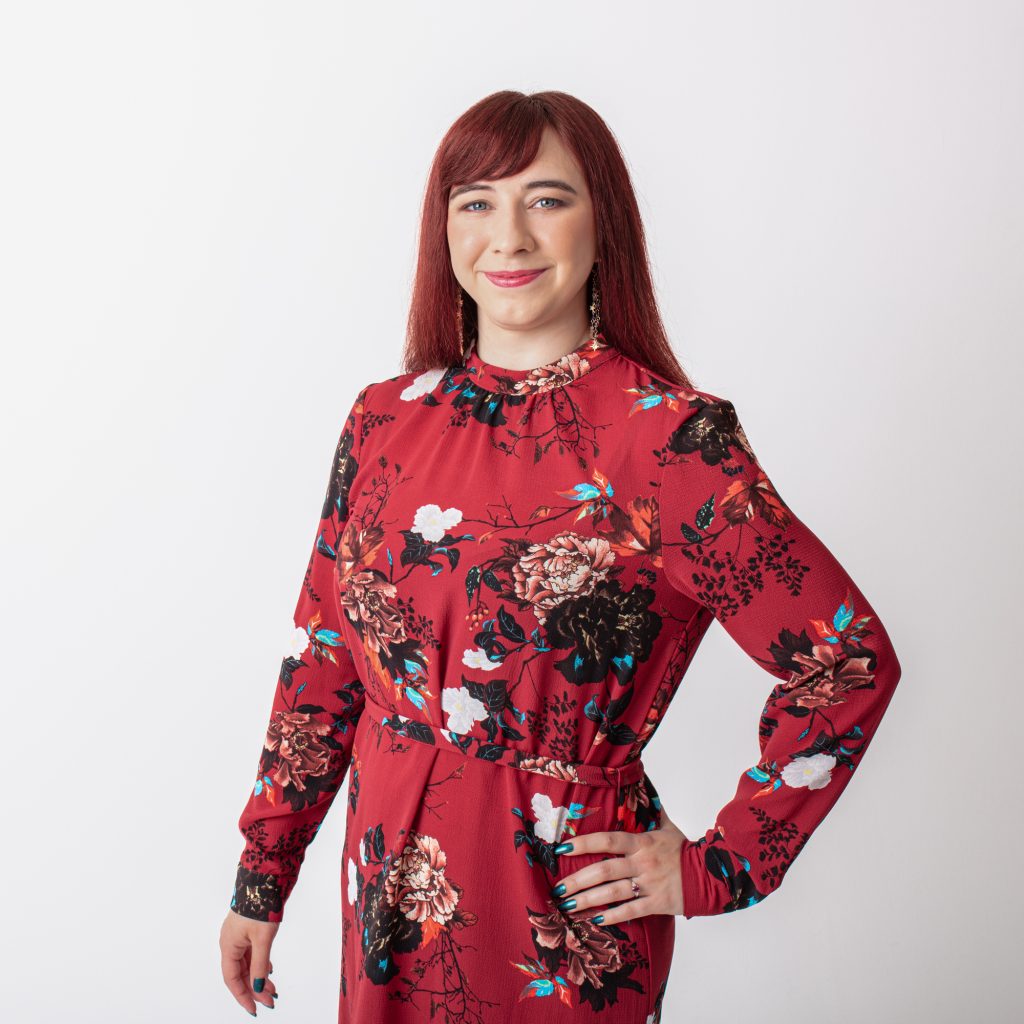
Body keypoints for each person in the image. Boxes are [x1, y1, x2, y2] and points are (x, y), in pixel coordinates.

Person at [219, 90, 902, 1023]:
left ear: (601, 222)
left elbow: (846, 660)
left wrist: (723, 865)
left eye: (545, 199)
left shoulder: (669, 441)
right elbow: (326, 659)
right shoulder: (385, 419)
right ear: (443, 227)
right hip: (386, 891)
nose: (509, 236)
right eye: (476, 202)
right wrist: (263, 875)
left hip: (559, 913)